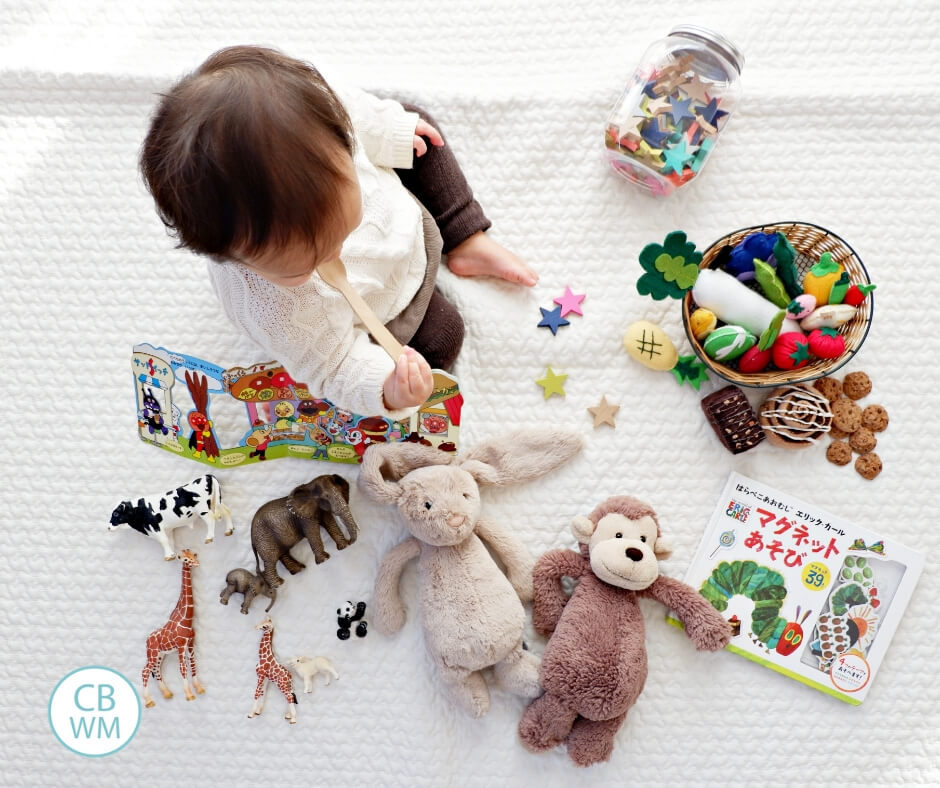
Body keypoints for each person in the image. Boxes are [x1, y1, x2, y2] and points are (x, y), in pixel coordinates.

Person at [140, 45, 537, 417]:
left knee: (417, 132)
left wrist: (391, 132)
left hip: (402, 217)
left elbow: (361, 115)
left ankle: (466, 237)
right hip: (384, 306)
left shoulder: (324, 113)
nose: (334, 256)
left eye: (343, 229)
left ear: (340, 142)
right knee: (442, 339)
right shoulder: (275, 310)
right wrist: (387, 389)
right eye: (304, 265)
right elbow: (335, 366)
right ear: (230, 257)